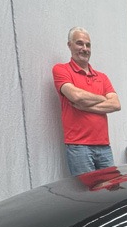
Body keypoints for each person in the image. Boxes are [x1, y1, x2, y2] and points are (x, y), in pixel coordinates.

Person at [52, 27, 121, 175]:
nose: (84, 48)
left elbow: (115, 104)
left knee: (113, 191)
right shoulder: (61, 70)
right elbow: (76, 97)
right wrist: (103, 99)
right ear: (69, 45)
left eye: (88, 45)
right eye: (79, 43)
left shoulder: (102, 77)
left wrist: (84, 106)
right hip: (79, 147)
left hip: (104, 146)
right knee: (87, 195)